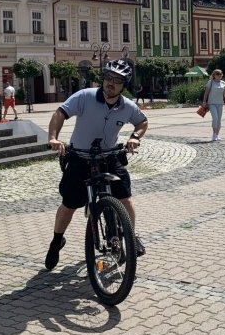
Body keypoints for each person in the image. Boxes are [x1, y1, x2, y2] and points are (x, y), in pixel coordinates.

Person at [44, 59, 148, 270]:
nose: (111, 83)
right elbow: (60, 114)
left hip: (109, 157)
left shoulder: (127, 106)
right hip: (80, 157)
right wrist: (53, 138)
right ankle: (57, 240)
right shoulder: (85, 97)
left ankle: (130, 235)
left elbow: (142, 121)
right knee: (69, 205)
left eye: (117, 80)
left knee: (126, 199)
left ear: (124, 85)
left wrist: (135, 136)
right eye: (108, 78)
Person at [201, 69, 225, 141]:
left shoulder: (223, 83)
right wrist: (204, 101)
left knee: (219, 120)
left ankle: (217, 135)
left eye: (220, 74)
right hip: (211, 103)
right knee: (215, 118)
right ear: (214, 75)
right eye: (217, 74)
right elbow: (206, 92)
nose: (219, 75)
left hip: (220, 103)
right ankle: (214, 134)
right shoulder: (210, 82)